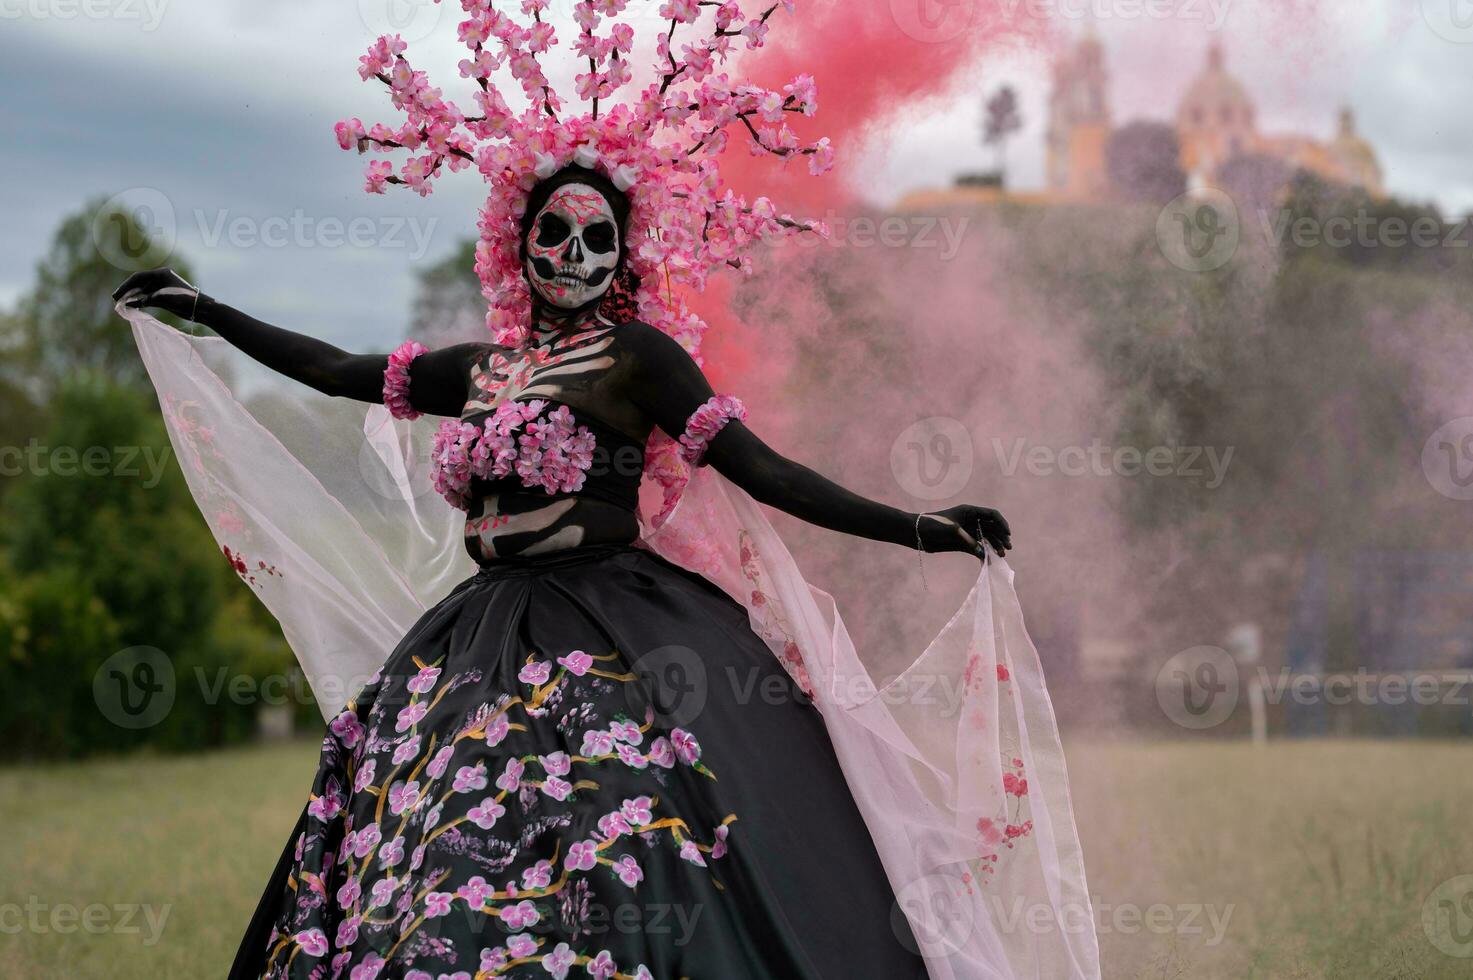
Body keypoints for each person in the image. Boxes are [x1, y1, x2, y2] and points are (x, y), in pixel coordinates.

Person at [114, 162, 1011, 979]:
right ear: (518, 242)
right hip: (481, 633)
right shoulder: (477, 369)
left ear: (621, 256)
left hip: (612, 622)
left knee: (618, 833)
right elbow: (335, 368)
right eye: (554, 232)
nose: (573, 255)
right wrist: (205, 309)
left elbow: (764, 472)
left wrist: (922, 528)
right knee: (444, 840)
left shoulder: (638, 357)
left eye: (597, 238)